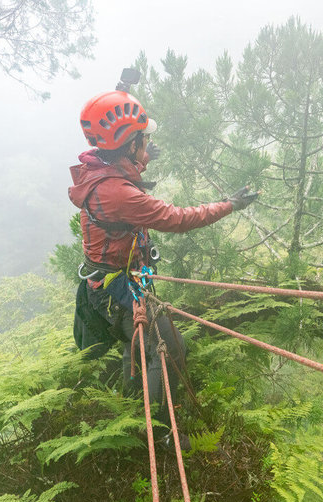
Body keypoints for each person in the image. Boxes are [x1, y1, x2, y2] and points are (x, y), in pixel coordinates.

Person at [68, 89, 256, 445]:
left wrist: (141, 159)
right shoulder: (120, 195)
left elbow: (119, 169)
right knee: (169, 347)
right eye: (143, 140)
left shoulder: (100, 170)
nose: (147, 144)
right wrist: (230, 205)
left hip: (108, 285)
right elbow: (177, 218)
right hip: (117, 288)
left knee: (135, 343)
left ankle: (130, 408)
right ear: (127, 144)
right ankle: (154, 434)